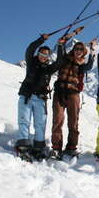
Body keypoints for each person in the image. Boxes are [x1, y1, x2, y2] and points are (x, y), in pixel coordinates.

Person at [15, 33, 66, 161]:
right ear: (38, 54)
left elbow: (60, 62)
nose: (43, 57)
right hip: (26, 96)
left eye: (46, 55)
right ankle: (23, 147)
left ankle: (38, 148)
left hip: (40, 99)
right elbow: (30, 49)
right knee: (24, 122)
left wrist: (60, 45)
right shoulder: (31, 62)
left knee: (40, 124)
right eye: (41, 54)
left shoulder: (48, 69)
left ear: (48, 57)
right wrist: (41, 40)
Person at [51, 39, 97, 158]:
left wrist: (93, 49)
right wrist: (61, 44)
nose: (78, 51)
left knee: (73, 122)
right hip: (59, 93)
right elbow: (60, 53)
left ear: (84, 52)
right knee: (58, 119)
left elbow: (90, 65)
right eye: (76, 49)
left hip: (73, 94)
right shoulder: (65, 59)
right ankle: (56, 147)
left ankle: (71, 147)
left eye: (81, 50)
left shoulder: (82, 65)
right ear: (73, 50)